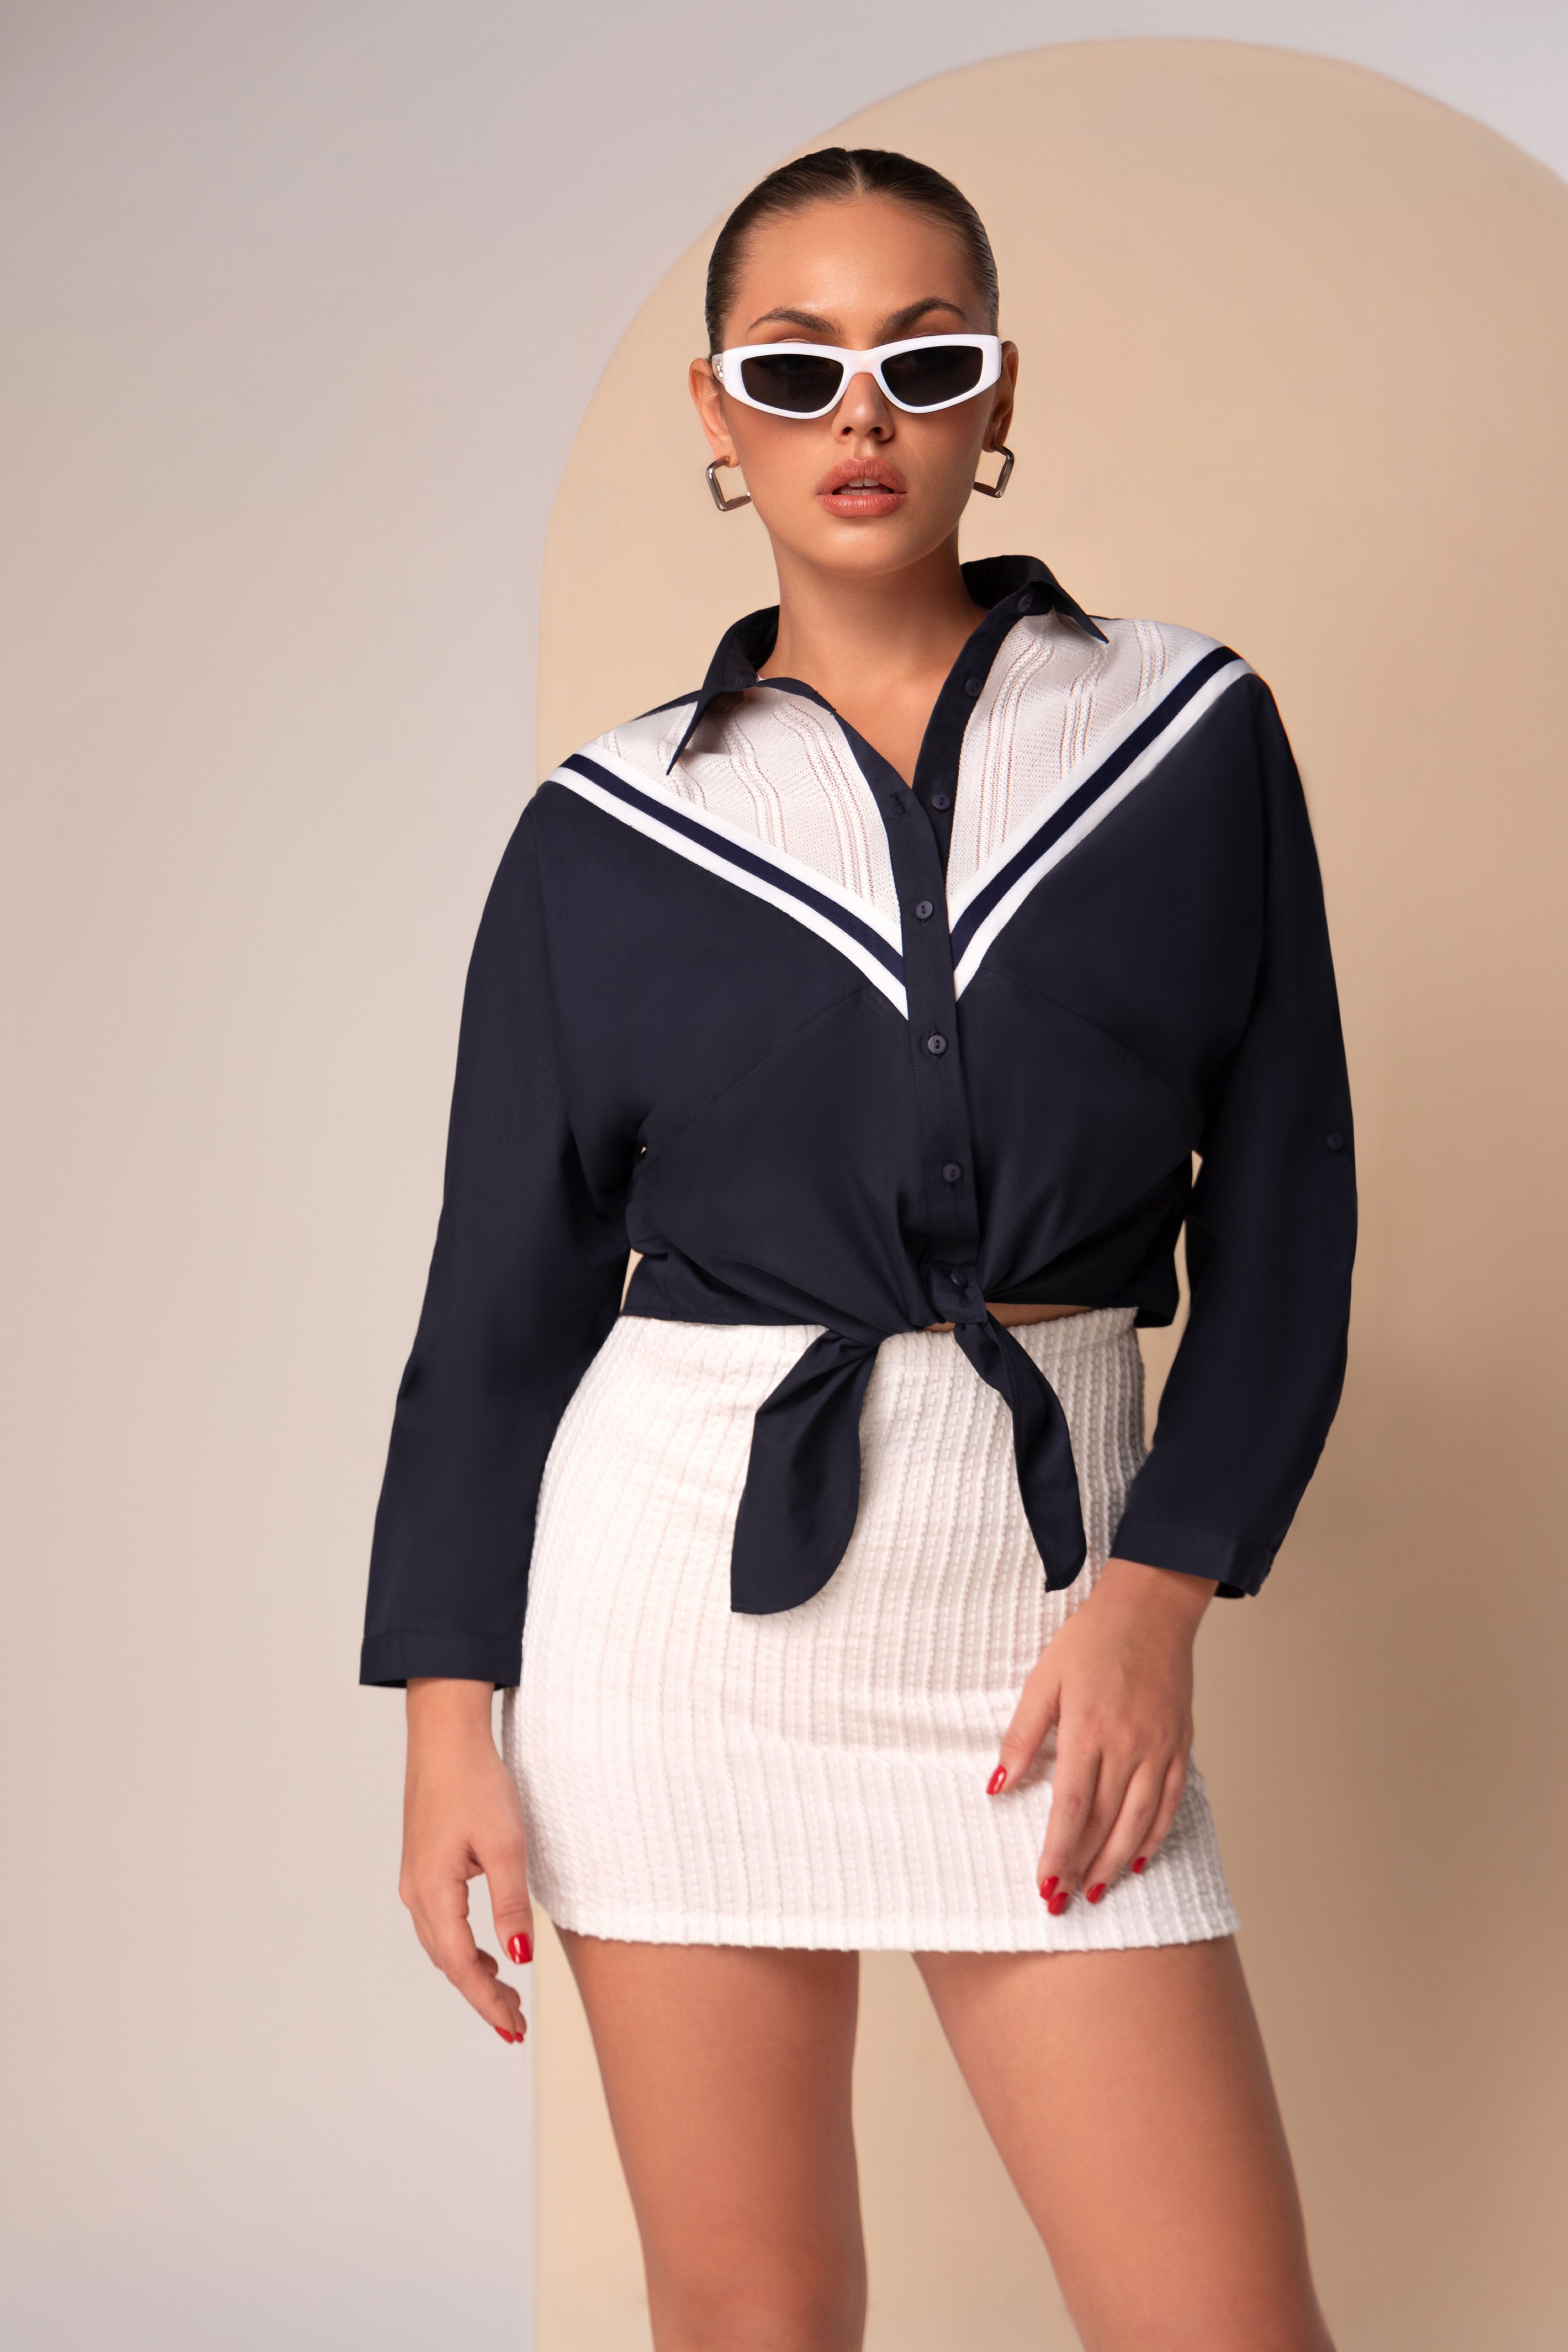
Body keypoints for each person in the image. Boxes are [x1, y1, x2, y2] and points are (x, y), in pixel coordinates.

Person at [363, 146, 1354, 2352]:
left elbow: (1294, 1218)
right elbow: (500, 1305)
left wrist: (1156, 1597)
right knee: (755, 2316)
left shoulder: (1183, 737)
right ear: (719, 415)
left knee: (1221, 2323)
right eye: (796, 368)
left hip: (1051, 1610)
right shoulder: (611, 827)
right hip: (669, 1622)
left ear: (998, 393)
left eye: (923, 358)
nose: (862, 418)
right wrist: (448, 1727)